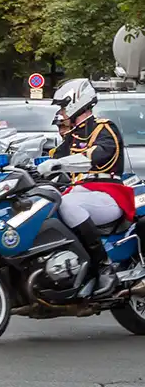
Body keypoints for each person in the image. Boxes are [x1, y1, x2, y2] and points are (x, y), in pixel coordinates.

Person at [50, 78, 133, 297]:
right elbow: (52, 157)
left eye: (63, 106)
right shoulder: (73, 135)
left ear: (77, 102)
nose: (62, 112)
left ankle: (103, 265)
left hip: (108, 195)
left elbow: (98, 155)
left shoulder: (104, 128)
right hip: (81, 193)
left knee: (66, 203)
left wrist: (60, 163)